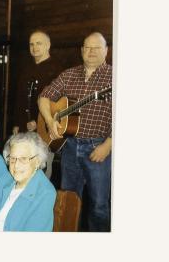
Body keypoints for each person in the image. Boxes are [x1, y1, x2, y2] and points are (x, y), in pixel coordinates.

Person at [38, 32, 112, 232]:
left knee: (98, 205)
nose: (91, 52)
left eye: (97, 47)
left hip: (99, 146)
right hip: (69, 146)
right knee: (68, 198)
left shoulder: (114, 77)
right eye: (87, 47)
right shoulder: (69, 74)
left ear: (106, 50)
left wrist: (109, 144)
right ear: (81, 51)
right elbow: (44, 97)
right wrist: (49, 119)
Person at [0, 132, 56, 231]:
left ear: (37, 161)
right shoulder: (5, 179)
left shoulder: (45, 193)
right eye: (13, 158)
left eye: (23, 159)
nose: (16, 165)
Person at [13, 30, 61, 178]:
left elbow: (58, 104)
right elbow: (19, 99)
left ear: (48, 45)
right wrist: (17, 124)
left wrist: (38, 121)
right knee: (24, 168)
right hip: (24, 130)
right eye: (31, 44)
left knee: (41, 170)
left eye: (39, 43)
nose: (34, 47)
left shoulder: (57, 71)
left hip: (44, 130)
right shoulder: (25, 69)